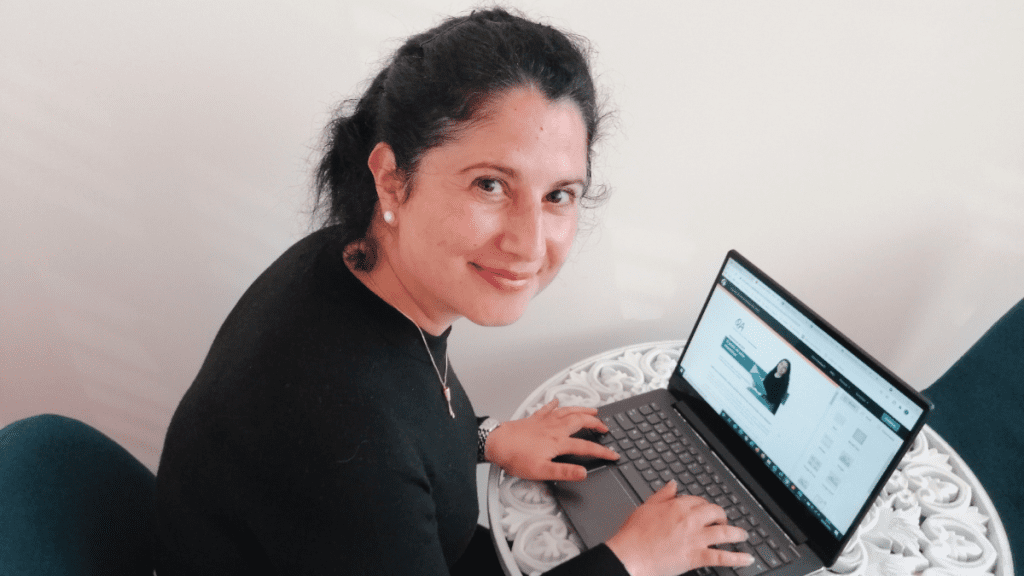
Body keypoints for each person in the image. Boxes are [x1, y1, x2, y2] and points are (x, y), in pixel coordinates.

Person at [154, 8, 755, 576]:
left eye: (558, 195)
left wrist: (488, 437)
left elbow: (409, 411)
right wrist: (632, 560)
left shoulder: (345, 262)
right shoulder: (344, 432)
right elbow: (371, 448)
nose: (528, 244)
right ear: (392, 180)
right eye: (490, 185)